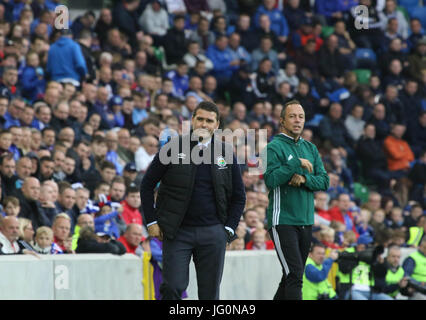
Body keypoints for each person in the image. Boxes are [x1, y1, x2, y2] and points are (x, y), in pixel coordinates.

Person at [140, 101, 246, 300]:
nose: (204, 124)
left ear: (217, 124)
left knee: (209, 294)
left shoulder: (225, 153)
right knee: (172, 287)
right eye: (200, 119)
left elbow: (239, 197)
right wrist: (152, 221)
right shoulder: (172, 148)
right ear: (192, 120)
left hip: (213, 233)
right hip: (177, 232)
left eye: (209, 120)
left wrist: (229, 230)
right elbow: (146, 185)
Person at [263, 100, 330, 300]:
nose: (297, 120)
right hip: (282, 220)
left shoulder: (311, 147)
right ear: (282, 120)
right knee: (294, 275)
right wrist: (295, 163)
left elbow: (324, 181)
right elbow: (270, 179)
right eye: (292, 116)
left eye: (301, 117)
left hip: (306, 220)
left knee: (292, 275)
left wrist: (303, 180)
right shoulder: (272, 147)